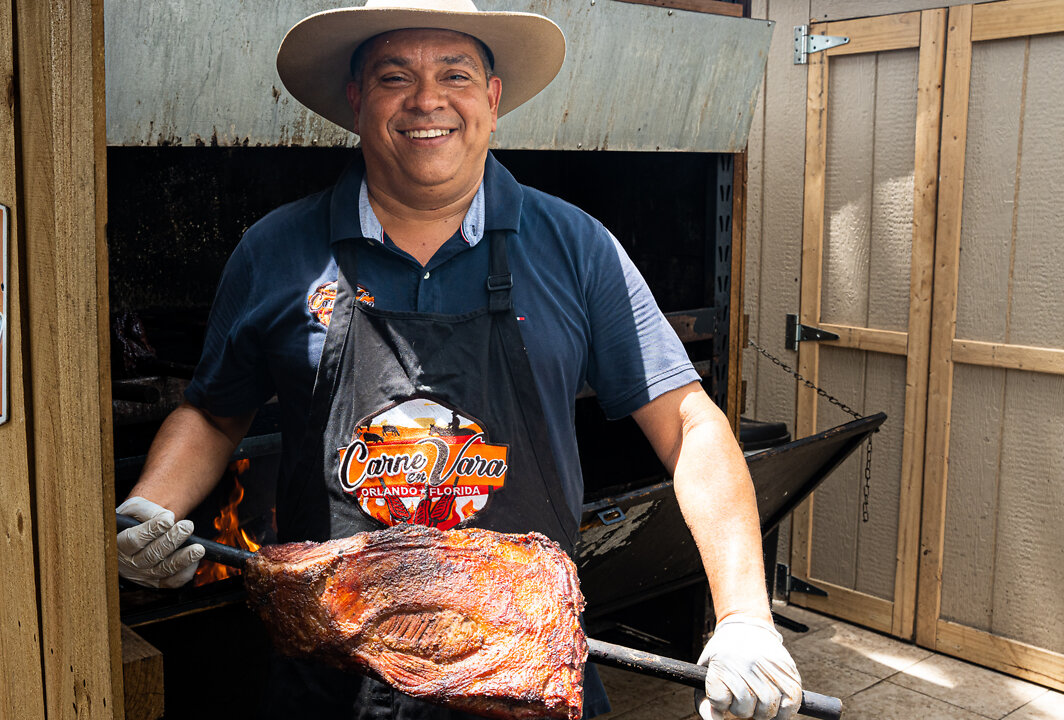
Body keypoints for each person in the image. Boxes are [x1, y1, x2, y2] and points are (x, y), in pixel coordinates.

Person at [116, 1, 803, 719]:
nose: (427, 100)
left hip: (522, 681)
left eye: (455, 73)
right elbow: (213, 411)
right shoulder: (276, 251)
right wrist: (150, 507)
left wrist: (746, 618)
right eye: (393, 76)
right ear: (356, 100)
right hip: (332, 685)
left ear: (493, 99)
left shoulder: (576, 247)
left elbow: (691, 425)